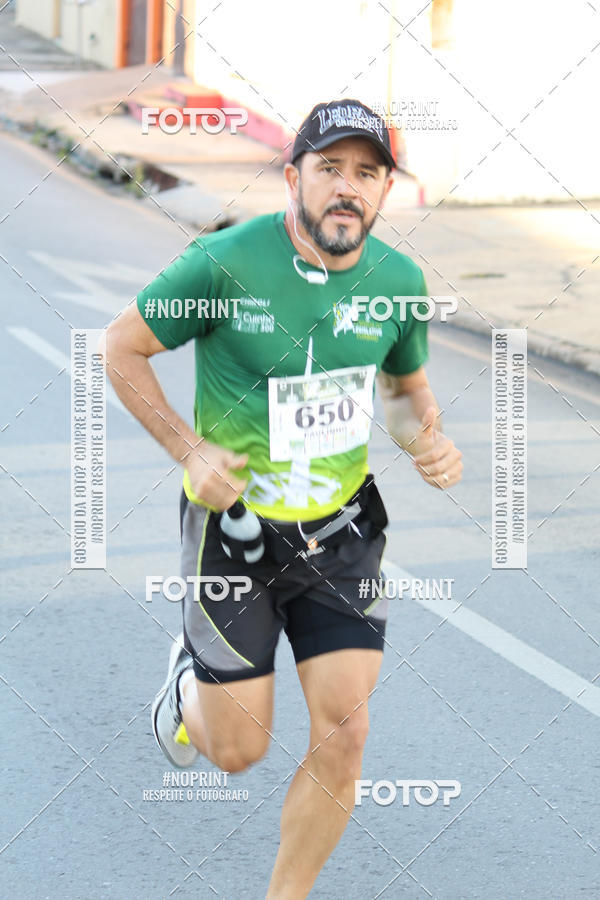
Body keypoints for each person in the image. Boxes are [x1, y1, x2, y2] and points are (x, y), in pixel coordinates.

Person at [103, 98, 462, 899]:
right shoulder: (225, 263)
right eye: (330, 167)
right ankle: (189, 688)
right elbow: (121, 346)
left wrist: (426, 436)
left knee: (347, 732)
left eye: (367, 174)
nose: (348, 188)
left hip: (341, 532)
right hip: (235, 533)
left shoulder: (398, 283)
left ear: (384, 191)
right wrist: (187, 447)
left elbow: (405, 391)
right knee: (237, 751)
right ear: (292, 174)